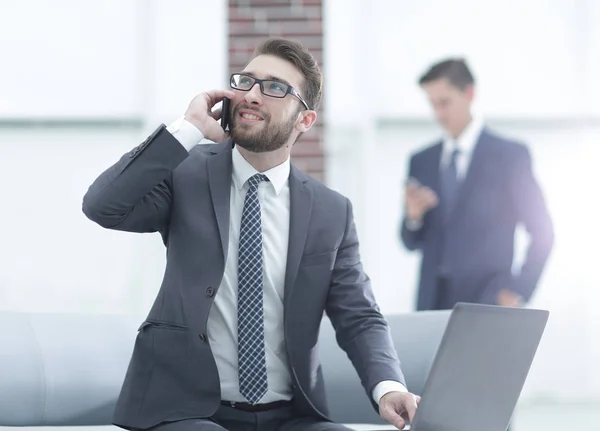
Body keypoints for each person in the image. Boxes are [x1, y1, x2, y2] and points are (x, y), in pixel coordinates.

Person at [83, 37, 419, 431]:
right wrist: (187, 129)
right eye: (246, 82)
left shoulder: (331, 211)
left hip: (290, 416)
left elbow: (359, 316)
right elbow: (103, 205)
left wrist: (389, 387)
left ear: (304, 120)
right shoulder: (184, 172)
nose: (253, 95)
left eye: (276, 87)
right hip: (186, 412)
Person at [399, 58, 554, 311]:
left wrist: (518, 289)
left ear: (469, 93)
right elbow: (410, 241)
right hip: (432, 305)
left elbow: (543, 231)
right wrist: (413, 217)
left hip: (490, 301)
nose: (438, 113)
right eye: (432, 104)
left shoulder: (510, 156)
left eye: (444, 103)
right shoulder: (421, 161)